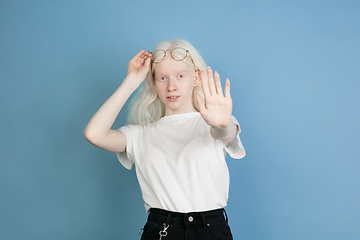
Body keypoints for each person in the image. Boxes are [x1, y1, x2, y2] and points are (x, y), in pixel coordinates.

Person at [84, 40, 246, 240]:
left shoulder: (215, 123)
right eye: (162, 78)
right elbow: (94, 134)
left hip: (211, 229)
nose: (172, 86)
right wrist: (132, 81)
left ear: (195, 78)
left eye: (180, 76)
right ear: (153, 82)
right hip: (162, 230)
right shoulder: (140, 134)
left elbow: (226, 134)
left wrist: (222, 125)